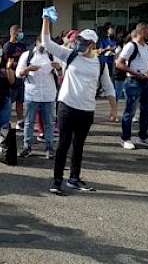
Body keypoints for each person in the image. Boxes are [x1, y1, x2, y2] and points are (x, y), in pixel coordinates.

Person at [40, 11, 115, 195]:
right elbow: (47, 43)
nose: (80, 43)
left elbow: (109, 87)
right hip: (67, 106)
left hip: (87, 110)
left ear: (92, 44)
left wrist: (114, 109)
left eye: (84, 41)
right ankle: (57, 181)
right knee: (63, 144)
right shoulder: (70, 55)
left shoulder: (101, 64)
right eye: (79, 40)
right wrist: (46, 20)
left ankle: (74, 178)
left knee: (79, 145)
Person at [16, 37, 59, 159]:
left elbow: (61, 74)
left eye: (46, 44)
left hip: (48, 94)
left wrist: (58, 68)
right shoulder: (27, 55)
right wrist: (28, 69)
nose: (43, 47)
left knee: (49, 123)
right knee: (29, 122)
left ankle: (49, 148)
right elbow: (18, 73)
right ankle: (27, 146)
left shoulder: (52, 55)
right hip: (32, 94)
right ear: (37, 42)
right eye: (42, 43)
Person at [116, 23, 148, 150]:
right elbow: (119, 63)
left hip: (147, 80)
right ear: (142, 32)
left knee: (146, 110)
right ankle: (125, 138)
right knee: (130, 110)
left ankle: (143, 136)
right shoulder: (131, 46)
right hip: (133, 81)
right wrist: (136, 73)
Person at [4, 25, 27, 128]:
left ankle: (20, 121)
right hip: (11, 76)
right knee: (9, 100)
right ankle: (6, 120)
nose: (21, 34)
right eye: (19, 32)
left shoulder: (22, 46)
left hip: (21, 77)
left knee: (20, 101)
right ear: (14, 33)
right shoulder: (7, 46)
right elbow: (5, 62)